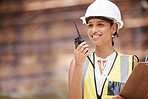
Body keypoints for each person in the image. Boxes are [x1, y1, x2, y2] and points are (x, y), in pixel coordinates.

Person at [68, 0, 139, 99]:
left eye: (100, 24)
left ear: (113, 28)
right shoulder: (76, 63)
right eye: (90, 25)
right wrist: (78, 66)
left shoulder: (131, 63)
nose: (93, 30)